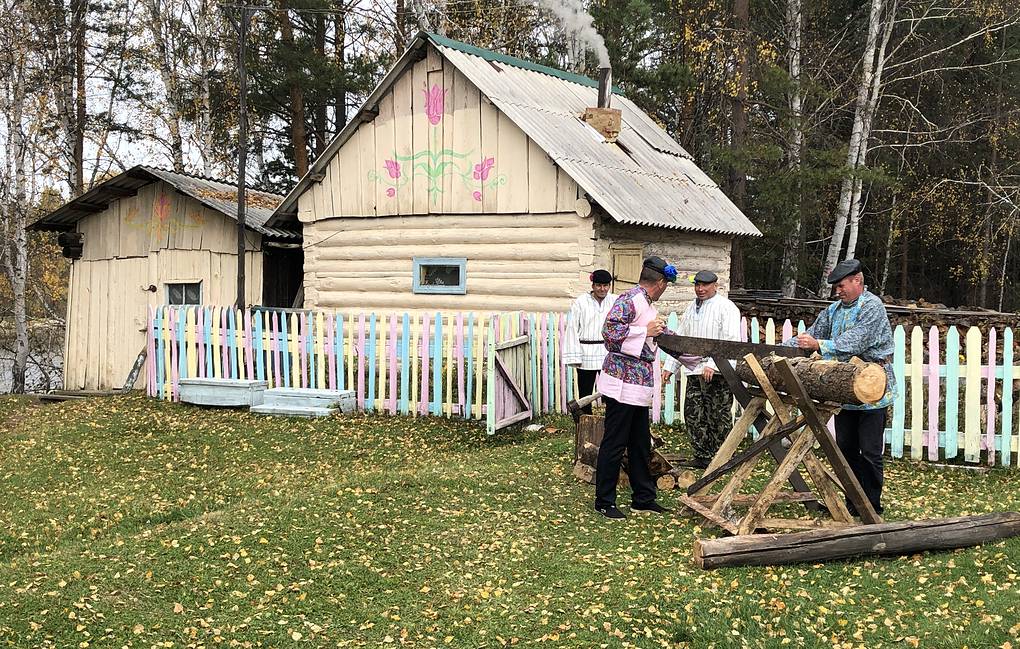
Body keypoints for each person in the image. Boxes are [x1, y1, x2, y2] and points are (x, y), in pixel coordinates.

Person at [783, 258, 895, 516]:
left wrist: (820, 346)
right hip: (844, 388)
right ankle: (853, 502)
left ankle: (872, 505)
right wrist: (783, 349)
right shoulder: (833, 311)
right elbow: (810, 334)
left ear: (858, 281)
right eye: (835, 287)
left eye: (841, 286)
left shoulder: (872, 307)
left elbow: (855, 341)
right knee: (845, 449)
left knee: (869, 451)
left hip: (872, 387)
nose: (838, 291)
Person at [594, 256, 698, 520]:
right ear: (661, 283)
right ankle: (604, 501)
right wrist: (644, 331)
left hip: (638, 387)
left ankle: (643, 497)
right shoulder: (629, 299)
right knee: (614, 443)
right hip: (621, 385)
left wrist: (695, 355)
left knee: (640, 443)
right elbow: (608, 333)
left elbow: (659, 337)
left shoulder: (648, 305)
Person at [662, 270, 742, 468]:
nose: (700, 289)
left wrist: (714, 365)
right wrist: (670, 366)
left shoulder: (726, 307)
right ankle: (702, 454)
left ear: (715, 285)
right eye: (697, 285)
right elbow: (681, 338)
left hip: (717, 370)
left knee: (718, 414)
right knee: (693, 412)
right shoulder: (692, 308)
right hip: (694, 367)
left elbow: (730, 339)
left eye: (705, 285)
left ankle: (723, 456)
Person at [563, 269, 617, 415]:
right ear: (593, 285)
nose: (602, 289)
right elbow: (573, 328)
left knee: (610, 391)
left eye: (606, 285)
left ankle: (611, 421)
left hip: (607, 352)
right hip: (586, 352)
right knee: (585, 391)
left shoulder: (615, 301)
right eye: (599, 285)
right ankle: (584, 420)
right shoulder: (581, 302)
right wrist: (575, 356)